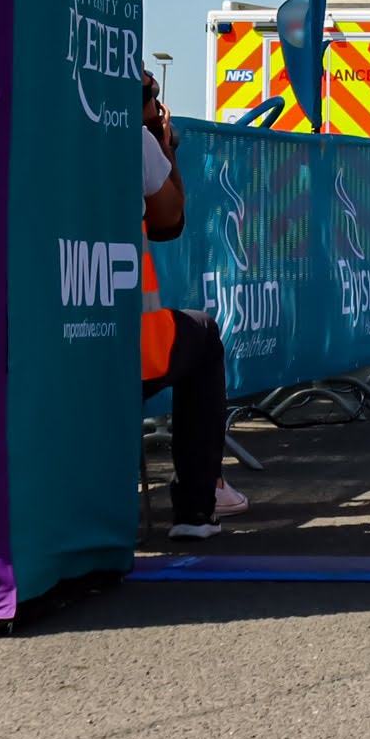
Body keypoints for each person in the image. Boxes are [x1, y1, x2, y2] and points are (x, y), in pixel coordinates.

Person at [137, 73, 243, 539]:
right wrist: (166, 148)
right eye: (150, 96)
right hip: (130, 349)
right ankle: (197, 509)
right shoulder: (133, 138)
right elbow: (169, 219)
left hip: (33, 348)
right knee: (204, 336)